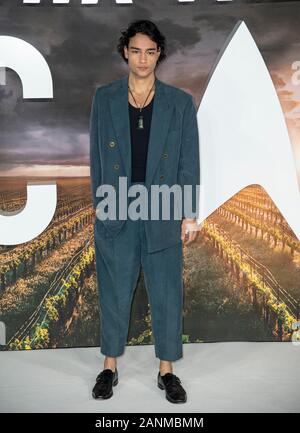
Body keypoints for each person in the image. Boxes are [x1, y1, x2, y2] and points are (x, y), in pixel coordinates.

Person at [89, 19, 200, 403]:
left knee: (166, 292)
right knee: (114, 291)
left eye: (150, 51)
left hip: (163, 208)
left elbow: (188, 162)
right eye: (136, 50)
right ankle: (109, 367)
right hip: (117, 205)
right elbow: (95, 160)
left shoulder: (180, 103)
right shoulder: (104, 99)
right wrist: (101, 207)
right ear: (125, 52)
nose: (143, 58)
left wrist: (188, 212)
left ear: (158, 55)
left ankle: (167, 371)